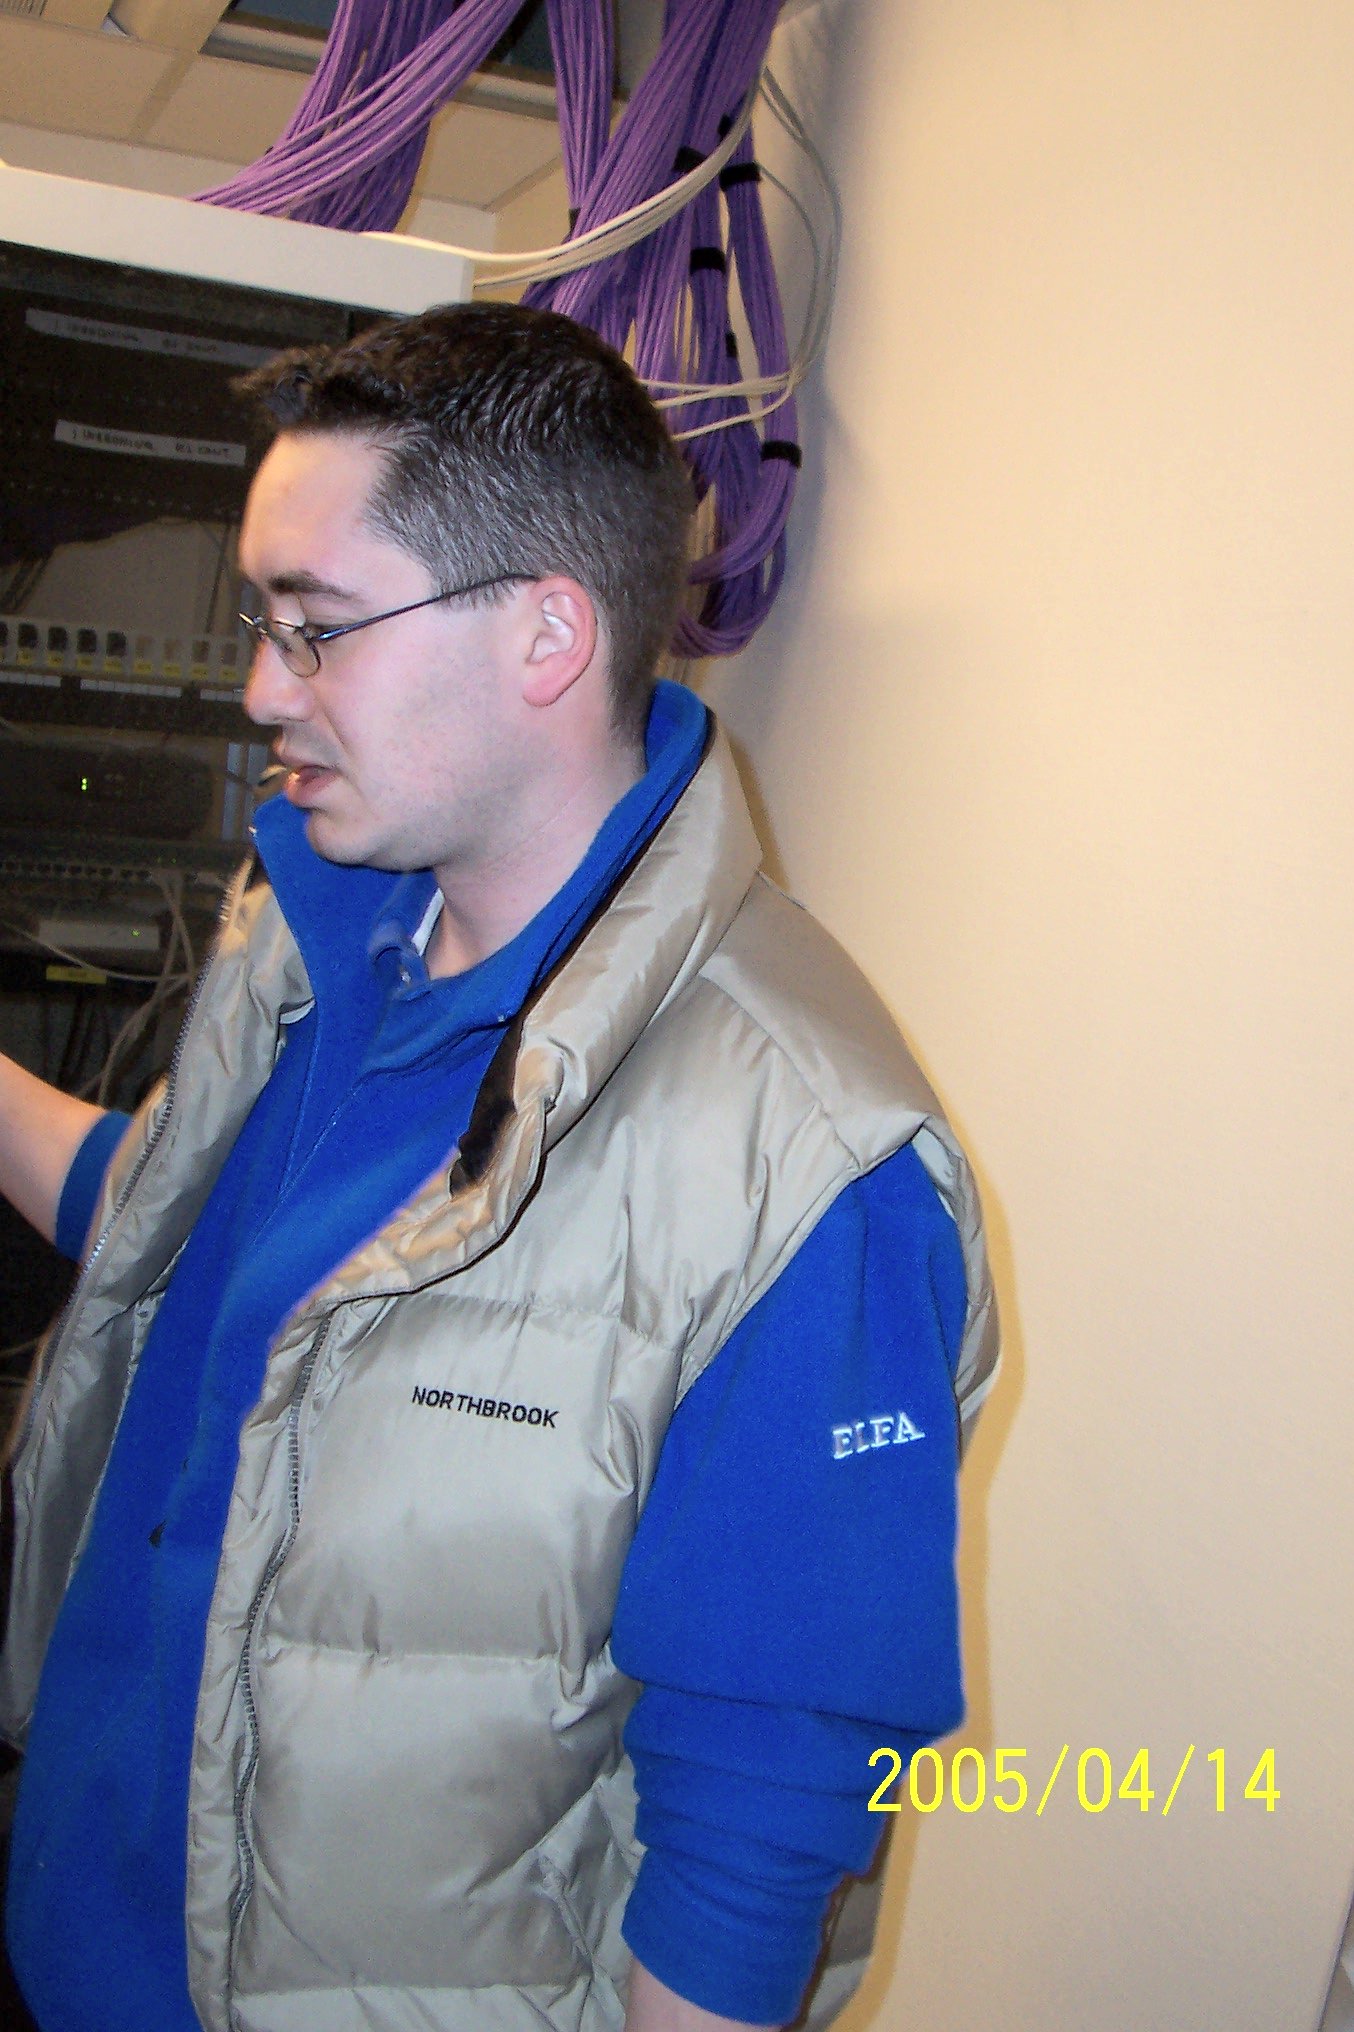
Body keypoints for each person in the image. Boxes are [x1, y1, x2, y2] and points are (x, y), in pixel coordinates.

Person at [0, 302, 998, 2032]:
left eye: (315, 628)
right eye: (262, 625)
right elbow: (168, 1229)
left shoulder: (801, 1161)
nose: (260, 689)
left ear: (545, 633)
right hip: (72, 1932)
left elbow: (760, 1813)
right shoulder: (326, 940)